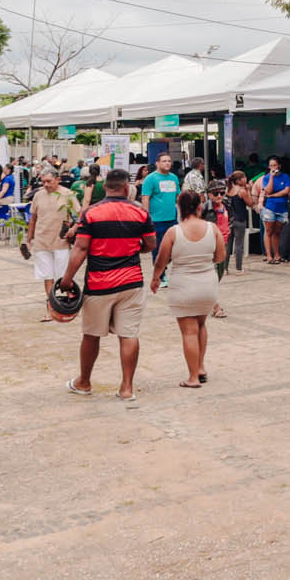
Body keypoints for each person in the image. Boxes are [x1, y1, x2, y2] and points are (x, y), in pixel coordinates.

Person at [58, 168, 154, 401]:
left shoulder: (91, 213)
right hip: (131, 282)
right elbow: (150, 243)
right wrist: (132, 249)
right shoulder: (140, 212)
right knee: (129, 334)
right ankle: (127, 388)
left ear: (106, 187)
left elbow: (80, 248)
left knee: (91, 335)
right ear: (125, 188)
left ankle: (84, 382)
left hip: (99, 283)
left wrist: (67, 278)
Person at [154, 188, 225, 387]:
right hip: (207, 285)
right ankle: (200, 367)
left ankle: (193, 377)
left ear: (179, 208)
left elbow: (161, 260)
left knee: (188, 331)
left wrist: (155, 278)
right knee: (201, 325)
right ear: (200, 207)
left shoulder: (173, 232)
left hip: (182, 285)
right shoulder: (213, 228)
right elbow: (220, 257)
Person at [28, 169, 75, 319]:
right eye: (43, 181)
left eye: (49, 181)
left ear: (58, 179)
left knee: (64, 276)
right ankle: (51, 308)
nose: (46, 184)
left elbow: (80, 216)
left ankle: (71, 306)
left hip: (61, 241)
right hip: (42, 241)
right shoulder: (38, 195)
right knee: (47, 275)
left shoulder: (67, 194)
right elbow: (33, 218)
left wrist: (73, 229)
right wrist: (29, 239)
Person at [142, 153, 183, 265]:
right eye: (164, 161)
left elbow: (179, 196)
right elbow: (145, 198)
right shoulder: (150, 179)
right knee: (158, 249)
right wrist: (147, 217)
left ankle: (164, 268)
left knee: (173, 248)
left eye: (169, 161)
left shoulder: (173, 177)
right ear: (157, 163)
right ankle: (160, 275)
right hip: (156, 220)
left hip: (172, 219)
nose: (167, 163)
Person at [259, 157, 290, 264]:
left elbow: (286, 191)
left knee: (277, 232)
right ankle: (269, 256)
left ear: (279, 166)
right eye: (271, 165)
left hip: (282, 208)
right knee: (268, 231)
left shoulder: (285, 176)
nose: (273, 167)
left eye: (275, 165)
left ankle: (277, 255)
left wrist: (272, 195)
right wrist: (272, 178)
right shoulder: (266, 178)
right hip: (270, 208)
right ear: (269, 167)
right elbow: (267, 190)